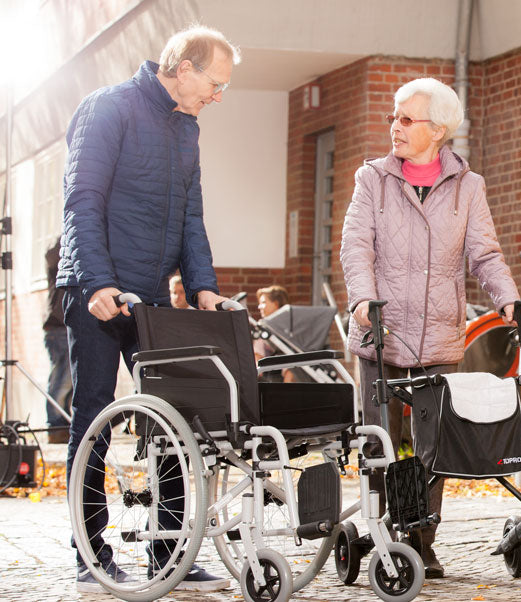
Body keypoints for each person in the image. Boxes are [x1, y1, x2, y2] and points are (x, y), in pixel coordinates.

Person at [57, 24, 238, 593]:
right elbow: (82, 200)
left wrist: (203, 285)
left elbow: (191, 216)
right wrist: (97, 282)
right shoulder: (107, 108)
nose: (217, 95)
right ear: (183, 66)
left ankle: (170, 552)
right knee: (93, 416)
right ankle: (90, 552)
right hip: (97, 290)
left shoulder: (187, 130)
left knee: (172, 419)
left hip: (151, 297)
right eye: (215, 83)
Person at [340, 77, 520, 579]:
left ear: (437, 129)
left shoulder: (469, 186)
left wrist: (505, 296)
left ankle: (421, 540)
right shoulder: (372, 178)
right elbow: (357, 246)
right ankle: (380, 534)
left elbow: (483, 253)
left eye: (406, 118)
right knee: (379, 441)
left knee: (432, 447)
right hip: (381, 331)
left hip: (439, 337)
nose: (394, 127)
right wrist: (361, 297)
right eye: (394, 117)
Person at [43, 239, 71, 444]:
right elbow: (51, 255)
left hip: (65, 325)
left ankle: (62, 422)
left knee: (68, 380)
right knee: (62, 378)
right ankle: (54, 425)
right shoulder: (57, 254)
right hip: (58, 326)